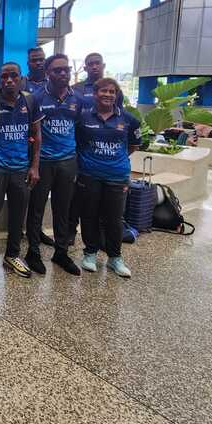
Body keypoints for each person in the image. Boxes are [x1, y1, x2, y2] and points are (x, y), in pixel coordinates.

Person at [0, 62, 43, 278]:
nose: (9, 80)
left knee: (18, 214)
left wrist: (34, 166)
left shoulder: (30, 101)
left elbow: (37, 135)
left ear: (21, 78)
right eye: (4, 76)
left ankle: (12, 255)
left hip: (21, 169)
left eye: (14, 76)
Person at [76, 77, 141, 278]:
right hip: (90, 175)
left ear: (117, 95)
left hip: (117, 176)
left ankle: (115, 258)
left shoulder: (129, 120)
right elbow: (79, 144)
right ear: (95, 94)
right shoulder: (84, 118)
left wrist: (114, 160)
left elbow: (133, 146)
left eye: (112, 91)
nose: (108, 95)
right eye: (103, 91)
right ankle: (90, 253)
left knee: (114, 219)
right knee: (89, 215)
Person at [25, 54, 82, 276]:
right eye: (57, 70)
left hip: (68, 162)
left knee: (63, 209)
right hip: (43, 162)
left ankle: (61, 252)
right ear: (48, 73)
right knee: (37, 208)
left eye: (66, 70)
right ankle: (33, 252)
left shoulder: (76, 100)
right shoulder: (36, 99)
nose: (63, 73)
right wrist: (34, 165)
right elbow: (31, 132)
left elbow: (78, 129)